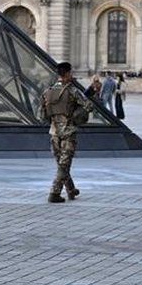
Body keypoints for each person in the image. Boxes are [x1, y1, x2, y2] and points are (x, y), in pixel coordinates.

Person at [41, 62, 94, 203]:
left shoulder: (47, 91)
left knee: (61, 163)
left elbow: (42, 115)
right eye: (71, 73)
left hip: (53, 132)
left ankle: (71, 190)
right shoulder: (72, 91)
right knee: (64, 165)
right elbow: (89, 106)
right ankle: (54, 193)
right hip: (68, 132)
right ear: (67, 74)